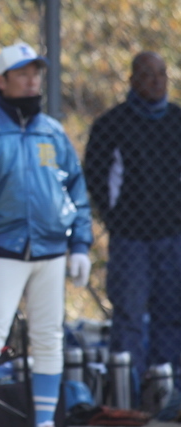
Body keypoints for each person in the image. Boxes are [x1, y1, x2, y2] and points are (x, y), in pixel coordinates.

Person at [0, 41, 93, 427]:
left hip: (52, 251)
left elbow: (75, 191)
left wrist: (79, 244)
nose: (32, 81)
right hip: (2, 252)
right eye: (23, 73)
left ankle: (44, 422)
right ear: (1, 79)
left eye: (36, 73)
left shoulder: (53, 133)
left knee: (49, 337)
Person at [84, 51, 181, 383]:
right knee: (129, 315)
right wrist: (117, 220)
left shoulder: (177, 120)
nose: (156, 80)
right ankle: (131, 394)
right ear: (133, 80)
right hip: (130, 240)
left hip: (173, 236)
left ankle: (166, 389)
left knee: (171, 313)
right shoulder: (112, 124)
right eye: (148, 74)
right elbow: (96, 178)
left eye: (161, 73)